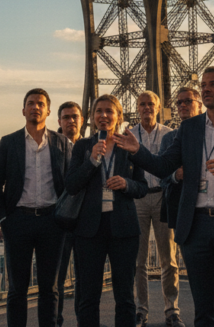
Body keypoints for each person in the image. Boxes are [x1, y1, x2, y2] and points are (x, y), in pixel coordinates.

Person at [114, 66, 214, 327]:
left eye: (213, 84)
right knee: (204, 309)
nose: (206, 89)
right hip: (196, 226)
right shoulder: (189, 128)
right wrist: (137, 150)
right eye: (204, 85)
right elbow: (164, 166)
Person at [66, 94, 148, 327]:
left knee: (124, 295)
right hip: (89, 229)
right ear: (92, 117)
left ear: (118, 116)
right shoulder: (83, 146)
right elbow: (71, 185)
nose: (103, 116)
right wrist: (91, 160)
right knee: (88, 295)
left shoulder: (129, 145)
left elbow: (142, 187)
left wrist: (126, 184)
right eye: (99, 111)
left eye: (109, 111)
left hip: (123, 228)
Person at [0, 89, 71, 327]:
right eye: (31, 103)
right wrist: (4, 218)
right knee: (17, 288)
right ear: (23, 109)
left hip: (52, 222)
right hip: (19, 221)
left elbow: (69, 183)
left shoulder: (62, 143)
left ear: (48, 110)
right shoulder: (9, 142)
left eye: (40, 104)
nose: (35, 107)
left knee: (50, 287)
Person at [130, 91, 182, 327]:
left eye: (151, 104)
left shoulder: (170, 135)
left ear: (159, 108)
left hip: (163, 197)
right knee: (138, 260)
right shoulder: (129, 135)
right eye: (142, 104)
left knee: (168, 259)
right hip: (138, 198)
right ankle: (140, 310)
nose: (147, 108)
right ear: (137, 108)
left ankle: (172, 310)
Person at [160, 87, 203, 231]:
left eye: (188, 101)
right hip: (180, 204)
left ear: (200, 105)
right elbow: (161, 174)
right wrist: (175, 176)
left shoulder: (212, 133)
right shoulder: (168, 138)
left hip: (208, 205)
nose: (182, 105)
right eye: (179, 103)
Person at [54, 101, 82, 327]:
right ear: (59, 122)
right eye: (66, 117)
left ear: (82, 120)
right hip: (60, 221)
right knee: (57, 279)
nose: (71, 121)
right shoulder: (51, 146)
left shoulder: (93, 145)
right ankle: (56, 321)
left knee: (85, 278)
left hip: (84, 221)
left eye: (75, 117)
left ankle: (85, 320)